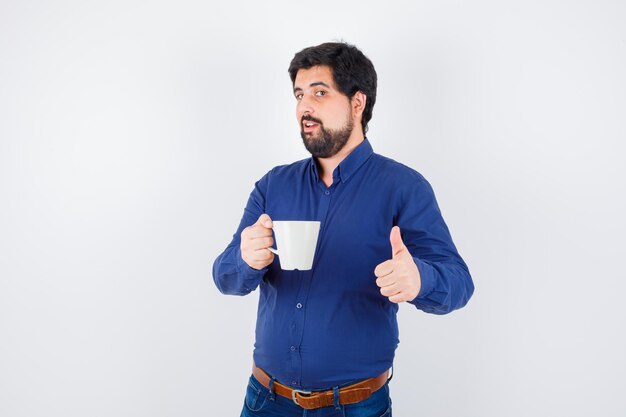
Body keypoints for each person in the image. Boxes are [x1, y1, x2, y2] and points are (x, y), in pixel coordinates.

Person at [212, 42, 474, 417]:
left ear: (357, 103)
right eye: (300, 95)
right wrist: (244, 259)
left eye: (320, 92)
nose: (305, 106)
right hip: (265, 401)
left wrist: (420, 281)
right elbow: (225, 278)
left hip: (355, 407)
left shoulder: (404, 187)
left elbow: (459, 282)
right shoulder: (273, 186)